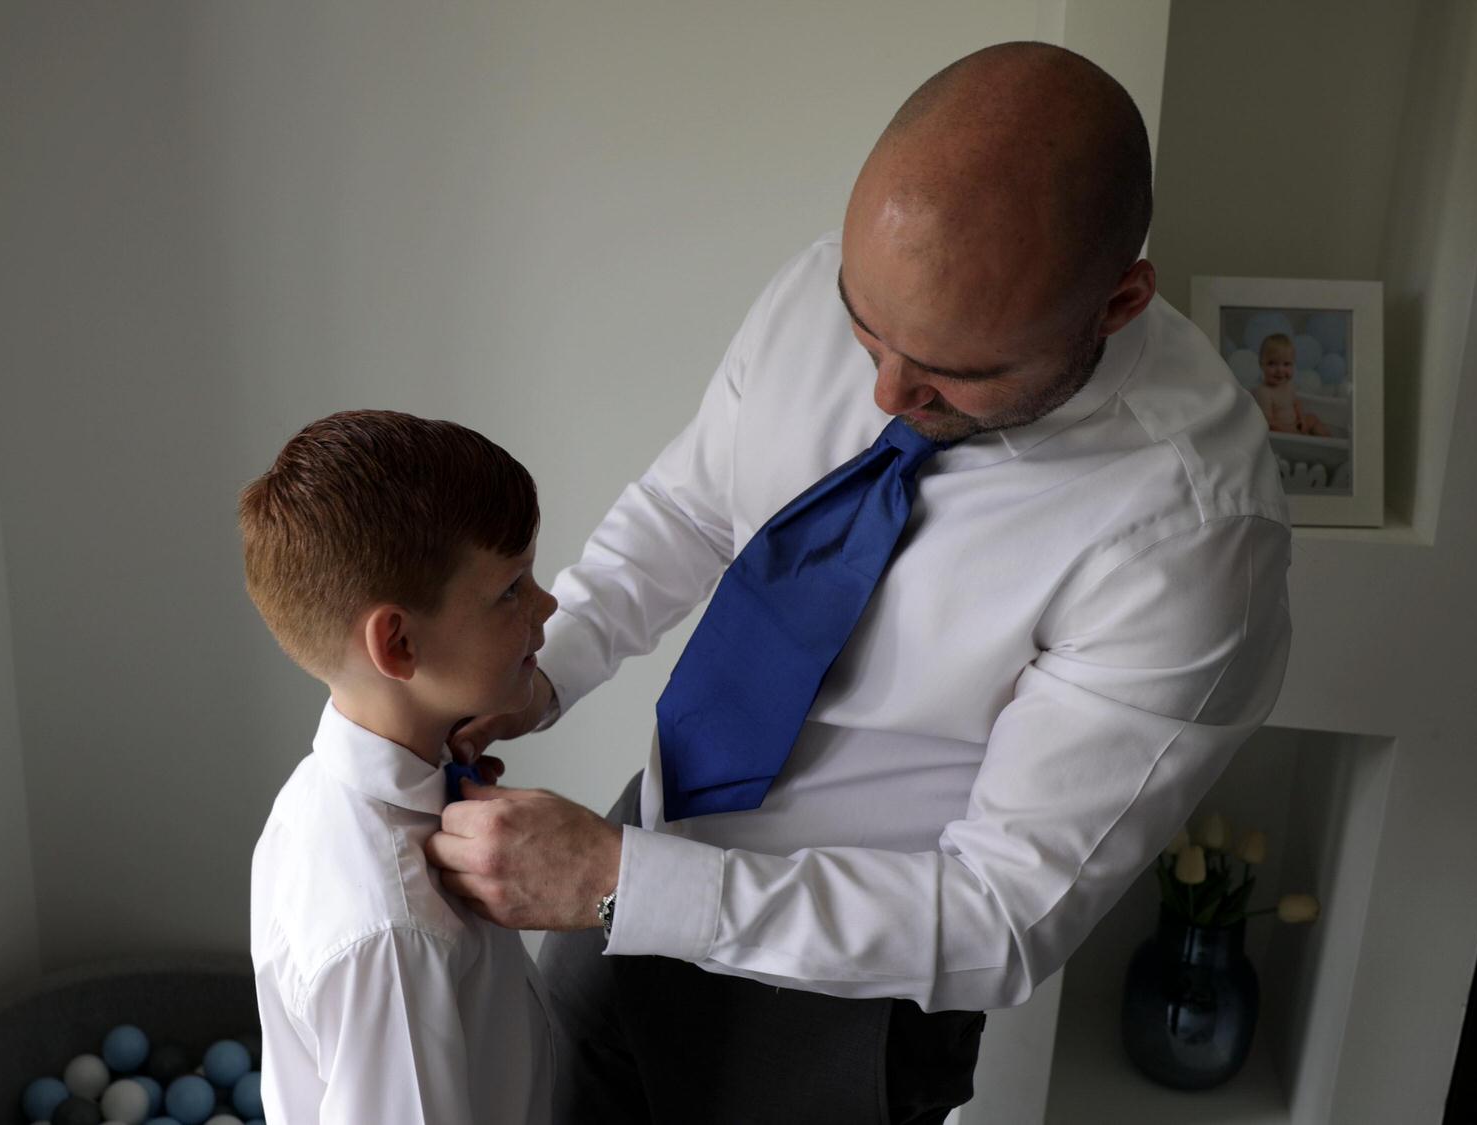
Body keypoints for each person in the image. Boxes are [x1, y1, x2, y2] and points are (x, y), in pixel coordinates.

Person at [423, 41, 1293, 1124]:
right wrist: (547, 668)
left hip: (850, 998)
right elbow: (697, 506)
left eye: (951, 373)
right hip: (649, 837)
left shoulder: (1195, 539)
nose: (881, 387)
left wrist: (620, 883)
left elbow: (999, 915)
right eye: (863, 327)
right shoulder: (823, 290)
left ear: (1116, 304)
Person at [238, 409, 557, 1124]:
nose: (549, 603)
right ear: (401, 642)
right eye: (512, 589)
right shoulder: (394, 932)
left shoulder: (315, 792)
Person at [1253, 332, 1330, 435]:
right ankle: (1315, 443)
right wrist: (1290, 431)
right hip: (1282, 432)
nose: (1280, 370)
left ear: (1293, 364)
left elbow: (1296, 403)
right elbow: (1268, 422)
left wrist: (1301, 418)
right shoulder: (1264, 392)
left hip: (1295, 424)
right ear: (1261, 364)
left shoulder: (1289, 385)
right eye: (1272, 364)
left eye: (1286, 364)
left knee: (1312, 418)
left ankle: (1329, 442)